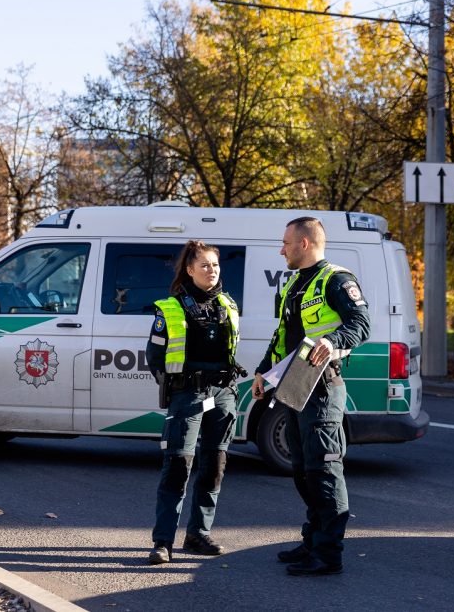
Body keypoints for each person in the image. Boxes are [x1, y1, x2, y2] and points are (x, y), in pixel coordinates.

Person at [252, 217, 370, 576]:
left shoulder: (336, 279)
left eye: (286, 242)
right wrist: (262, 370)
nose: (281, 248)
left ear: (304, 243)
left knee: (324, 471)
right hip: (295, 385)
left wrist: (332, 342)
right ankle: (313, 540)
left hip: (322, 387)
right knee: (303, 469)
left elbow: (361, 324)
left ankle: (328, 554)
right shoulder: (296, 284)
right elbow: (282, 336)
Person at [146, 240, 243, 565]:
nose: (211, 270)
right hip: (189, 395)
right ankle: (163, 542)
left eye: (215, 265)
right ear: (189, 269)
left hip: (223, 394)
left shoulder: (228, 304)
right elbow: (154, 357)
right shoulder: (171, 308)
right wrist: (177, 387)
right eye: (204, 265)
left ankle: (199, 534)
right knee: (178, 466)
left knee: (214, 465)